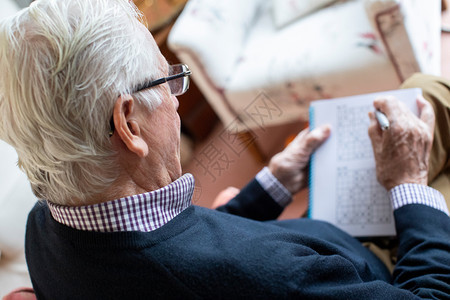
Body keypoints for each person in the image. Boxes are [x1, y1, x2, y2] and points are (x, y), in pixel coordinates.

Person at [0, 0, 448, 299]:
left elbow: (178, 243)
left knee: (425, 93)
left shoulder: (44, 229)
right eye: (168, 81)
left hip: (320, 249)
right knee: (429, 101)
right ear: (128, 123)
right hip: (389, 269)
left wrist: (272, 185)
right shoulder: (272, 276)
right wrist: (408, 184)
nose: (177, 99)